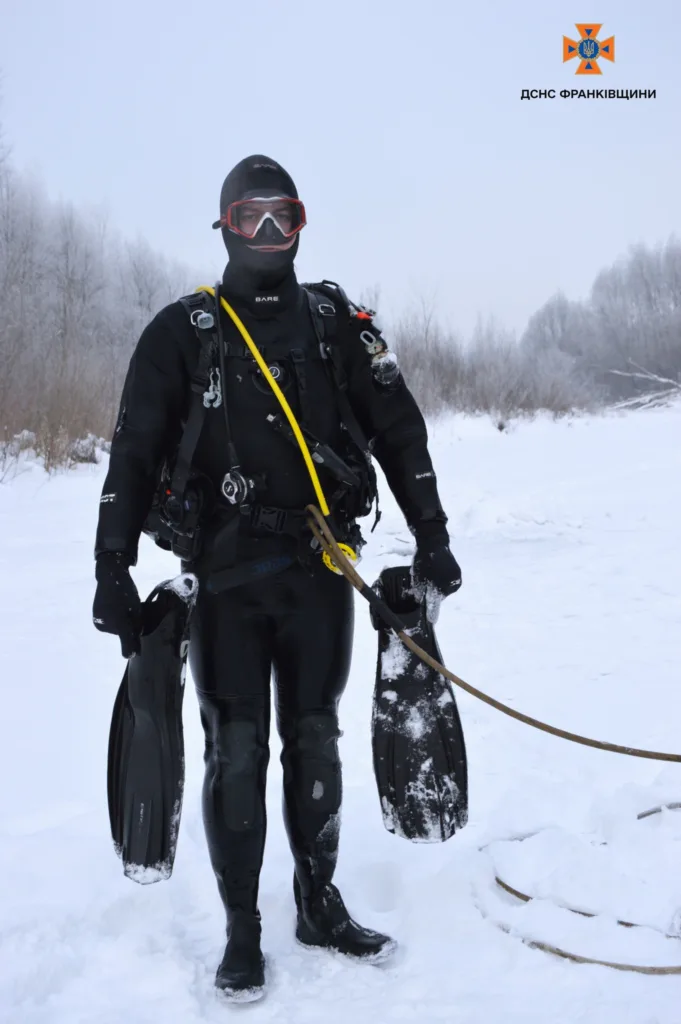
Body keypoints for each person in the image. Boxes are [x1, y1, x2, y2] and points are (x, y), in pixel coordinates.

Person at [93, 155, 462, 1001]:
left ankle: (317, 902)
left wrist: (433, 536)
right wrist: (110, 564)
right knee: (236, 749)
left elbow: (400, 433)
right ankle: (242, 929)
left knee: (315, 734)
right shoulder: (180, 334)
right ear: (222, 225)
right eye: (250, 217)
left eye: (282, 216)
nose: (267, 233)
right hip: (224, 582)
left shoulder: (338, 323)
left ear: (302, 224)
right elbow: (133, 451)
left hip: (318, 570)